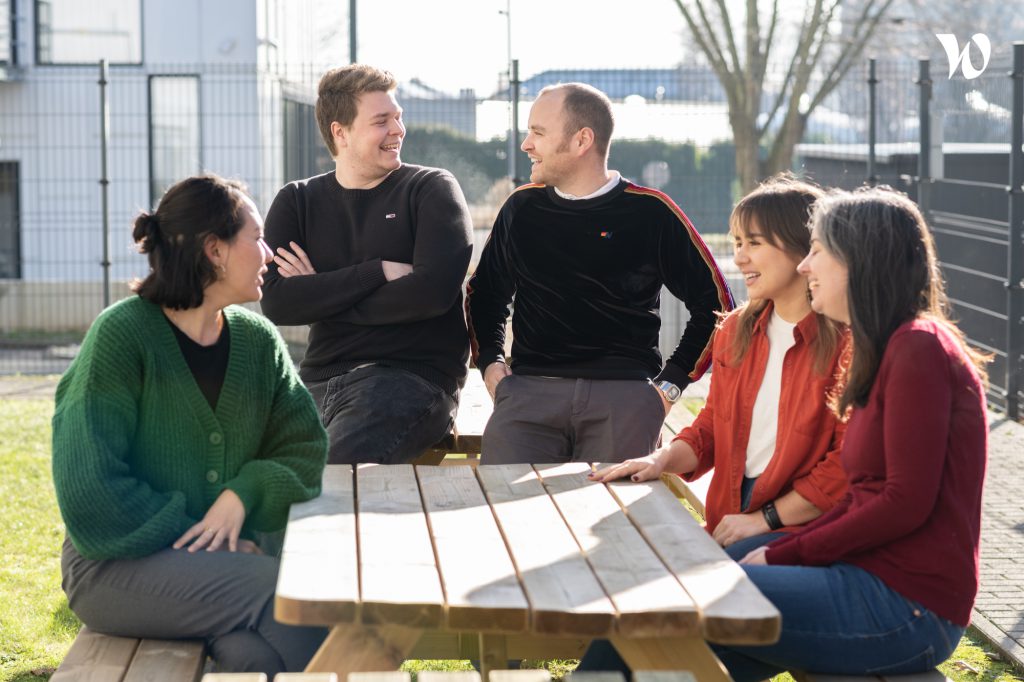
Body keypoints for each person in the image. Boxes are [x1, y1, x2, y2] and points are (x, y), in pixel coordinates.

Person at [584, 186, 989, 680]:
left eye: (818, 250)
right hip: (857, 575)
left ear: (859, 259)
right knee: (661, 657)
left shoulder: (917, 348)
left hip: (905, 605)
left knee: (671, 596)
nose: (806, 266)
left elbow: (902, 501)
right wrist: (776, 547)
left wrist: (782, 545)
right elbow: (866, 499)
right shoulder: (883, 346)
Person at [52, 174, 328, 675]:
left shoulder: (258, 342)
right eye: (257, 238)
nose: (268, 254)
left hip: (224, 573)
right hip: (113, 567)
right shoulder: (122, 337)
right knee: (288, 591)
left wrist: (242, 495)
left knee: (250, 656)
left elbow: (305, 450)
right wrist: (205, 537)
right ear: (214, 250)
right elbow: (90, 493)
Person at [466, 83, 733, 464]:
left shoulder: (652, 212)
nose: (526, 144)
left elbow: (718, 306)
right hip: (527, 397)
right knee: (498, 511)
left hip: (624, 402)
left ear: (581, 140)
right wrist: (491, 362)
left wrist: (669, 387)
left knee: (615, 522)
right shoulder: (521, 208)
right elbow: (486, 293)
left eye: (538, 133)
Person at [588, 175, 849, 560]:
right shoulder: (734, 329)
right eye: (738, 243)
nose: (740, 257)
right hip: (733, 512)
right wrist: (659, 459)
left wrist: (767, 518)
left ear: (804, 250)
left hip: (802, 524)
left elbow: (844, 466)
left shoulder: (848, 344)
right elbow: (713, 425)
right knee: (624, 554)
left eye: (754, 244)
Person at [260, 64, 473, 464]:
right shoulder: (298, 201)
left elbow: (431, 294)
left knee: (330, 476)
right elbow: (277, 303)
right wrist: (375, 273)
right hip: (317, 380)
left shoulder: (430, 189)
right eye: (381, 121)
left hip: (407, 379)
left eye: (398, 117)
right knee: (257, 471)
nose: (398, 130)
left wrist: (322, 292)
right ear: (340, 132)